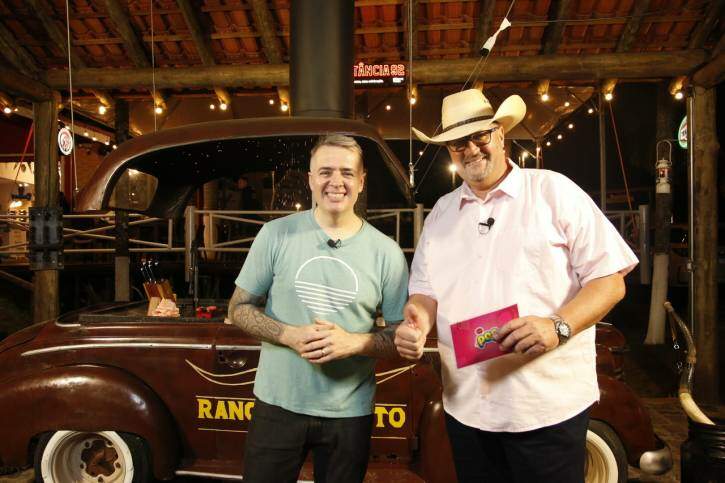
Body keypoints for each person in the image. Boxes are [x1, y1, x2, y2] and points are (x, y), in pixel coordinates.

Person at [394, 89, 638, 483]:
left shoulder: (553, 191)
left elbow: (610, 281)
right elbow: (425, 291)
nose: (471, 149)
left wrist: (557, 326)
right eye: (458, 143)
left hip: (545, 407)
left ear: (501, 134)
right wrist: (418, 320)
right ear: (450, 151)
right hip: (466, 405)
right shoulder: (441, 212)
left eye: (480, 136)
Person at [226, 134, 409, 483]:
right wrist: (288, 335)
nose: (336, 182)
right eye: (325, 172)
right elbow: (238, 308)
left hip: (349, 412)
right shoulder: (275, 235)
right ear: (311, 179)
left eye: (347, 172)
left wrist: (355, 342)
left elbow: (400, 336)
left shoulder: (386, 253)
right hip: (278, 405)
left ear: (361, 181)